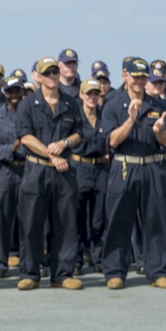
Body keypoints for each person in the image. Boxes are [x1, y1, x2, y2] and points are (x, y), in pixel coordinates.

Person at [101, 58, 166, 289]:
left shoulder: (160, 107)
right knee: (119, 220)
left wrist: (159, 132)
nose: (139, 81)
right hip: (124, 167)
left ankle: (158, 271)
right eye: (135, 76)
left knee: (156, 220)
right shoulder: (113, 106)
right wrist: (130, 120)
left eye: (143, 77)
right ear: (125, 76)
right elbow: (112, 140)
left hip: (153, 167)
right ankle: (115, 271)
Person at [15, 55, 84, 290]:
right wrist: (50, 154)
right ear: (38, 77)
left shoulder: (71, 103)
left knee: (65, 224)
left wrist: (64, 143)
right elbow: (25, 137)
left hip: (64, 172)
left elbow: (79, 133)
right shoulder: (27, 104)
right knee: (32, 223)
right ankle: (30, 273)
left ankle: (62, 274)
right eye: (47, 73)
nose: (52, 76)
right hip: (37, 170)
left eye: (55, 72)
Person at [0, 76, 27, 278]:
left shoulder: (31, 114)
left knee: (29, 218)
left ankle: (29, 262)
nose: (15, 96)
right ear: (6, 94)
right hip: (3, 170)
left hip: (27, 170)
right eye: (11, 92)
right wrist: (12, 148)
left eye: (18, 91)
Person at [73, 78, 109, 274]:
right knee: (78, 216)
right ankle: (77, 260)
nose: (92, 97)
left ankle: (99, 259)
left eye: (96, 94)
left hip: (101, 169)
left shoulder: (106, 115)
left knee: (98, 219)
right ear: (81, 95)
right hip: (79, 167)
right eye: (89, 94)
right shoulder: (74, 116)